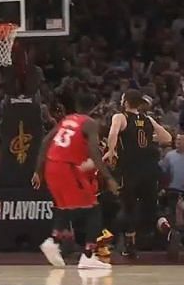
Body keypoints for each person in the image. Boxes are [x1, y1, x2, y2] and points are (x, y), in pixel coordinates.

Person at [32, 93, 118, 270]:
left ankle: (54, 240)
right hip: (67, 167)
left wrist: (38, 171)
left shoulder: (67, 120)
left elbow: (45, 141)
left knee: (65, 208)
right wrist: (109, 177)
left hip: (51, 165)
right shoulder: (90, 123)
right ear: (94, 107)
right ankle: (87, 255)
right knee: (94, 210)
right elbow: (95, 152)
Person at [103, 89, 172, 257]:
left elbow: (113, 133)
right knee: (150, 206)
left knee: (128, 207)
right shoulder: (147, 119)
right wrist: (150, 138)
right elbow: (167, 138)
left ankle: (130, 244)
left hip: (130, 168)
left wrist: (111, 150)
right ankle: (163, 224)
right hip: (149, 169)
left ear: (125, 102)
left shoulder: (120, 117)